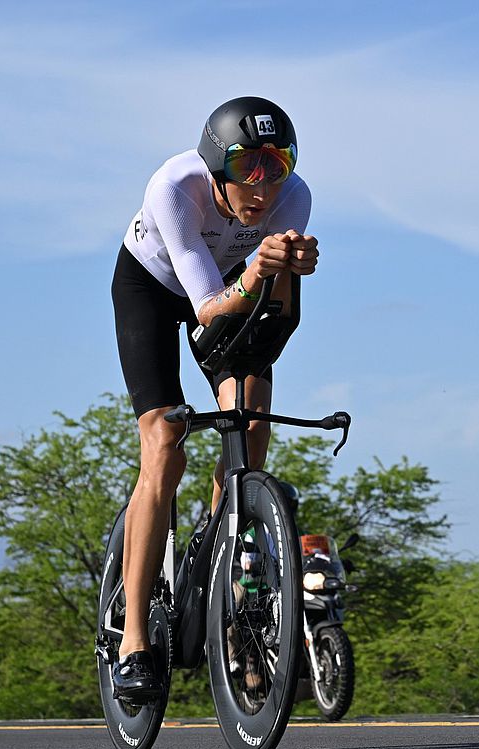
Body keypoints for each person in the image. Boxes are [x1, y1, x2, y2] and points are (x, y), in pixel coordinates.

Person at [109, 96, 319, 702]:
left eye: (275, 164)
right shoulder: (175, 186)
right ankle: (134, 642)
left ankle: (221, 544)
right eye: (247, 166)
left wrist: (288, 272)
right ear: (214, 167)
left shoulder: (293, 196)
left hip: (229, 285)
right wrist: (259, 272)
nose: (263, 184)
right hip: (153, 286)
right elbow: (205, 307)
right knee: (165, 443)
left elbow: (270, 319)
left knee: (249, 424)